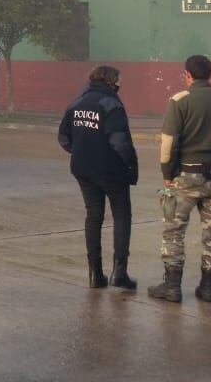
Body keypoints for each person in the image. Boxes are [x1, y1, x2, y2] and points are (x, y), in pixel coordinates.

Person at [147, 55, 211, 304]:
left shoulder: (179, 101)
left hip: (186, 175)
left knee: (173, 231)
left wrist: (167, 174)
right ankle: (208, 287)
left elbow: (168, 143)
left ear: (187, 74)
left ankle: (172, 286)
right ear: (209, 73)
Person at [58, 65, 139, 290]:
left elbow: (63, 138)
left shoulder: (76, 103)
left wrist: (82, 151)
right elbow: (119, 142)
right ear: (111, 81)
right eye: (119, 81)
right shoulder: (111, 104)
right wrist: (130, 163)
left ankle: (95, 274)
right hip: (111, 170)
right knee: (122, 215)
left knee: (93, 217)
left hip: (83, 170)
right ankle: (119, 273)